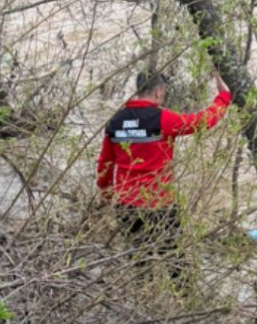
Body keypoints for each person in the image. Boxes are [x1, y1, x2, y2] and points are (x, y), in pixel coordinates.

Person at [96, 70, 232, 280]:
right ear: (159, 92)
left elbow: (105, 165)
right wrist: (223, 96)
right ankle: (185, 306)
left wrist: (106, 196)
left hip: (126, 206)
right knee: (176, 264)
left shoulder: (115, 121)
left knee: (139, 264)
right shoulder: (163, 119)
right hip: (159, 206)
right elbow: (203, 120)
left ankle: (145, 305)